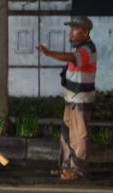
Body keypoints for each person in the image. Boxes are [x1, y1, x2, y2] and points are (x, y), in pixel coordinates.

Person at [38, 16, 96, 181]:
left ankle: (78, 171)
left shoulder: (87, 49)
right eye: (71, 28)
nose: (71, 32)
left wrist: (49, 53)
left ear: (85, 31)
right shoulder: (80, 48)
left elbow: (71, 58)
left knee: (78, 136)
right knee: (67, 135)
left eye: (75, 29)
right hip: (72, 100)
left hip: (80, 100)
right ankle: (66, 168)